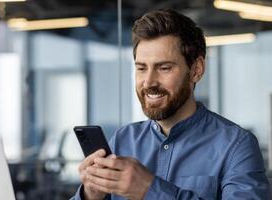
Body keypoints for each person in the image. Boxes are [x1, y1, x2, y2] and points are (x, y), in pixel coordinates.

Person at [71, 9, 269, 200]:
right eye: (141, 68)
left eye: (164, 68)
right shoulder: (123, 140)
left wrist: (148, 190)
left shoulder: (236, 146)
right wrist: (89, 195)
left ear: (196, 70)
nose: (149, 82)